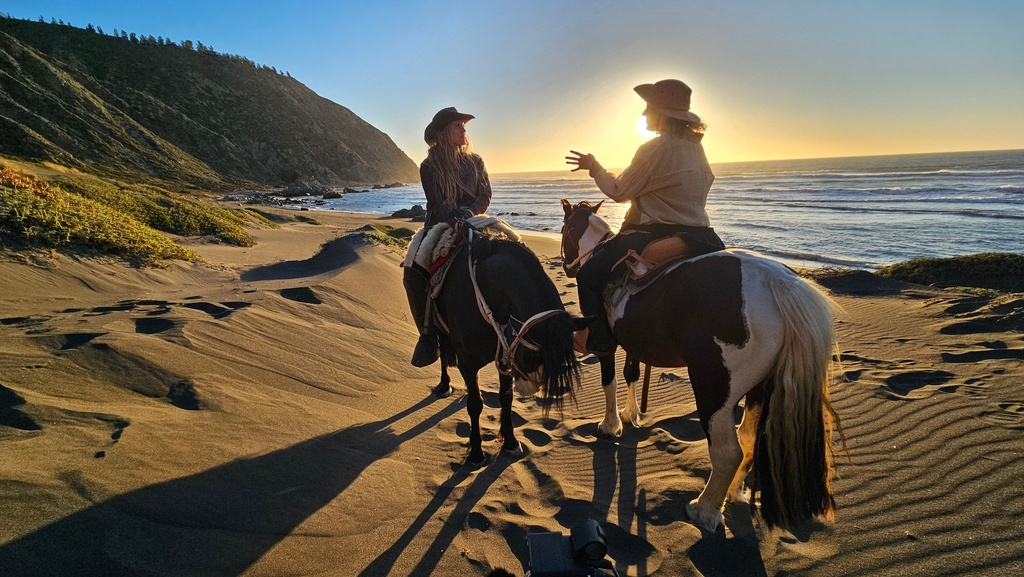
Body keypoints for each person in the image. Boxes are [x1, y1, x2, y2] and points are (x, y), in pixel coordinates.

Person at [566, 79, 725, 355]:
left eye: (649, 108)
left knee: (588, 276)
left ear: (663, 113)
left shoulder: (654, 149)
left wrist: (595, 168)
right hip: (702, 236)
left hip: (653, 234)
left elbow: (619, 191)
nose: (643, 114)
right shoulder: (698, 149)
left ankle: (600, 340)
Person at [404, 106, 493, 367]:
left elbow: (485, 195)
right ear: (444, 132)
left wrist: (469, 213)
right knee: (413, 269)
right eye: (458, 125)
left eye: (464, 126)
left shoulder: (476, 161)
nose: (464, 130)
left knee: (514, 246)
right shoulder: (429, 166)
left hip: (473, 219)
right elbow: (437, 203)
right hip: (440, 224)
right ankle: (427, 336)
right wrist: (454, 219)